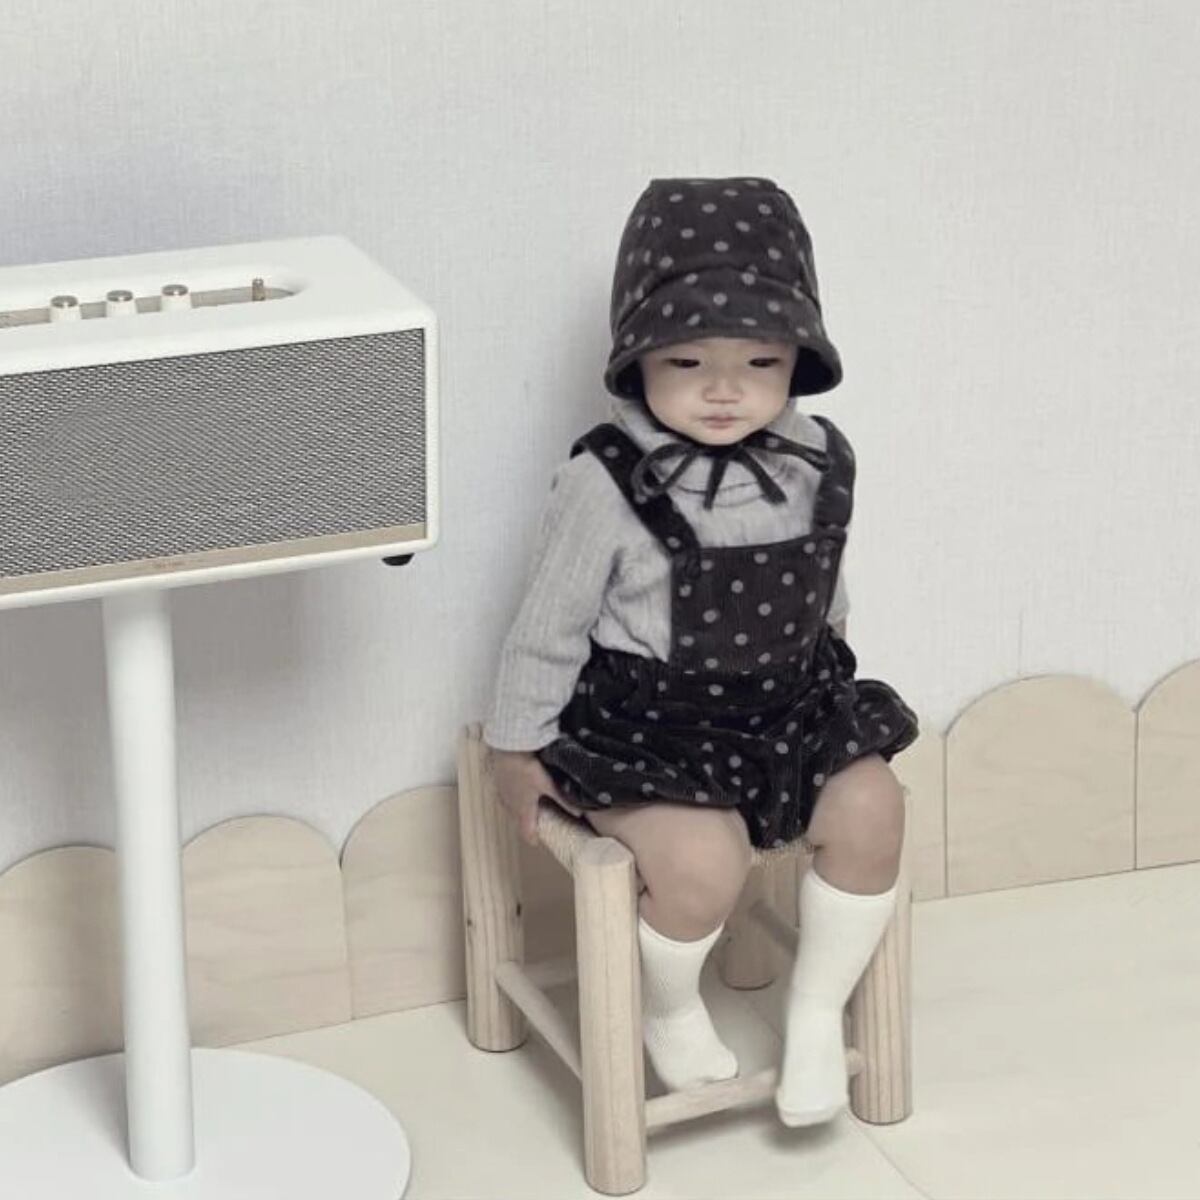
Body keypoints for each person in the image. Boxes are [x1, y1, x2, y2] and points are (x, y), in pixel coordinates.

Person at [483, 176, 919, 1126]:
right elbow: (547, 625)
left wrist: (832, 710)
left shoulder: (816, 460)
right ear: (635, 357)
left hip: (788, 710)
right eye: (685, 360)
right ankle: (670, 1005)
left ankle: (815, 1010)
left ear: (799, 359)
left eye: (760, 360)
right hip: (653, 729)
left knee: (876, 809)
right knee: (701, 864)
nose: (725, 389)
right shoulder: (606, 480)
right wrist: (514, 748)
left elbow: (826, 597)